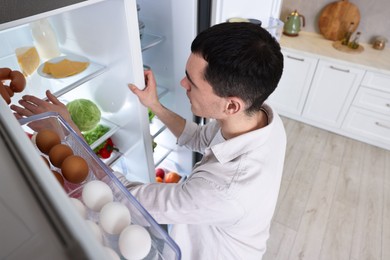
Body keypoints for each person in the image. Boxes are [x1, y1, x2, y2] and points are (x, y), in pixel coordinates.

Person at [11, 22, 285, 259]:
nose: (182, 84)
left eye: (192, 82)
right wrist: (155, 104)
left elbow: (129, 198)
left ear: (231, 105)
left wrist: (68, 130)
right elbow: (199, 137)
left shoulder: (224, 189)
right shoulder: (262, 118)